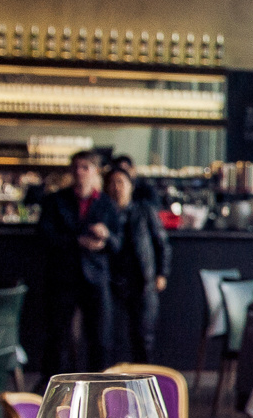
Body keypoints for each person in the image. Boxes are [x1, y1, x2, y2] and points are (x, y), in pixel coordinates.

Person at [38, 150, 118, 373]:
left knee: (100, 337)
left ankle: (100, 386)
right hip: (64, 276)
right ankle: (55, 388)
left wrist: (105, 238)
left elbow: (119, 243)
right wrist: (77, 241)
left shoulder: (106, 204)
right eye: (76, 167)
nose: (79, 172)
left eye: (85, 167)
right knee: (58, 336)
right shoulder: (56, 201)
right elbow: (44, 237)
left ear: (95, 171)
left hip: (96, 276)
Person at [106, 166, 170, 362]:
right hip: (113, 283)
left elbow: (162, 244)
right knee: (112, 340)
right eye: (112, 183)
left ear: (130, 186)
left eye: (121, 182)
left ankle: (145, 386)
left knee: (143, 338)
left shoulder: (145, 211)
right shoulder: (104, 212)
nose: (116, 187)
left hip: (143, 282)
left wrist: (162, 273)